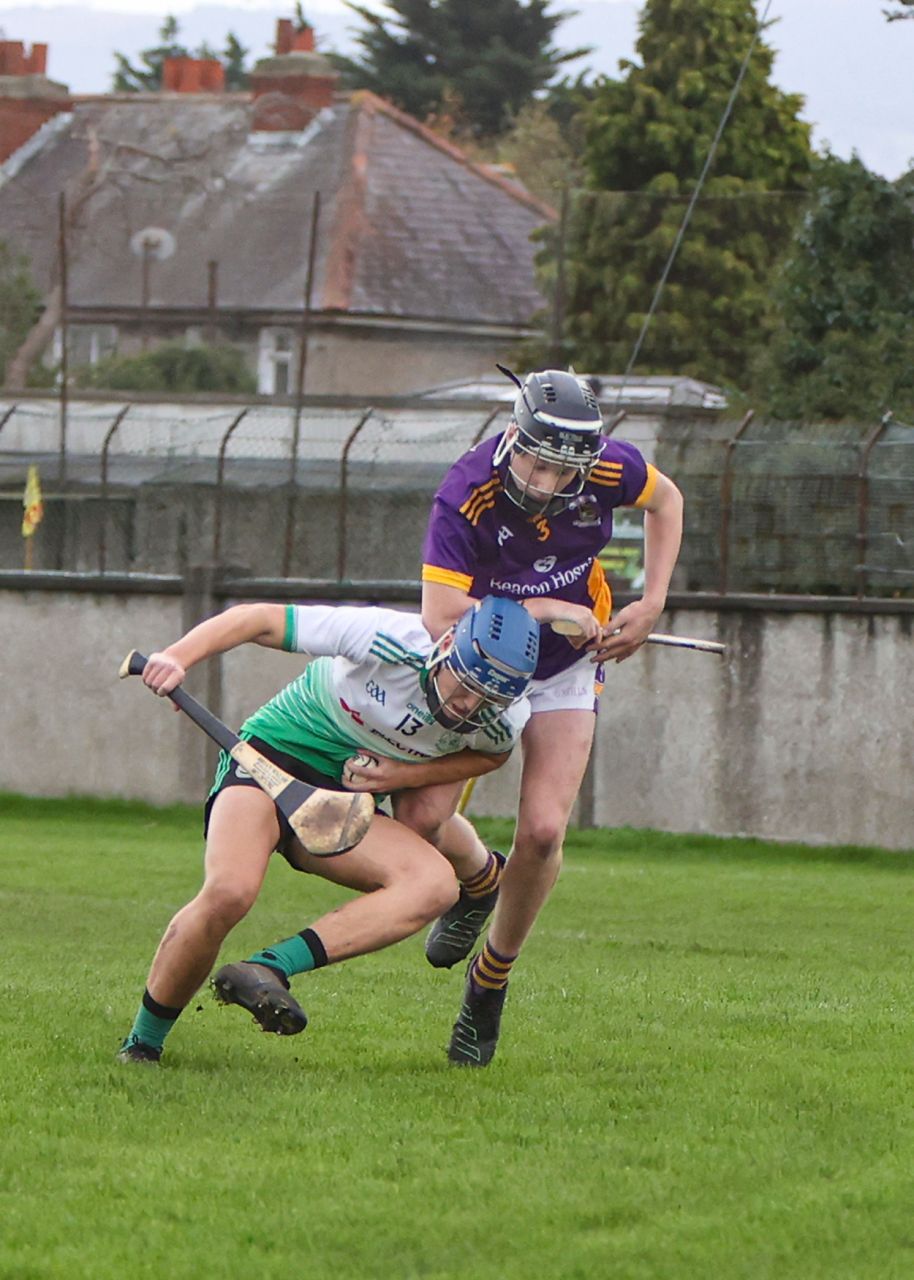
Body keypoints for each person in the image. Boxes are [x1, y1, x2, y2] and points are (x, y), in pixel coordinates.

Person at [397, 365, 684, 1066]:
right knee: (421, 821)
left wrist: (651, 604)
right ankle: (478, 878)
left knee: (547, 830)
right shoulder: (466, 493)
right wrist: (544, 610)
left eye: (565, 470)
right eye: (535, 461)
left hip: (565, 669)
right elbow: (440, 615)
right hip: (479, 669)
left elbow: (667, 500)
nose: (547, 483)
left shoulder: (608, 469)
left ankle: (489, 982)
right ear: (513, 438)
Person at [117, 594, 539, 1065]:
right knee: (230, 891)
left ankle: (268, 968)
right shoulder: (388, 639)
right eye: (463, 687)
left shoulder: (501, 720)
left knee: (434, 885)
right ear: (445, 648)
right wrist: (178, 656)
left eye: (486, 701)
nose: (465, 708)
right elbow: (257, 619)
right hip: (267, 764)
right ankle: (142, 1046)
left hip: (340, 805)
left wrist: (399, 778)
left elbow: (491, 755)